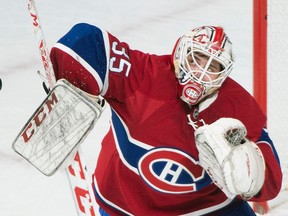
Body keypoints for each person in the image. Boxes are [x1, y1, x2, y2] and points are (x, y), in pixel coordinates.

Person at [50, 23, 282, 216]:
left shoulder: (237, 105)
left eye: (213, 66)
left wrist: (253, 176)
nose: (201, 72)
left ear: (224, 74)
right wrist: (71, 82)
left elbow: (271, 178)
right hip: (127, 206)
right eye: (198, 58)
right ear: (180, 52)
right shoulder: (144, 77)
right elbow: (89, 42)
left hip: (210, 209)